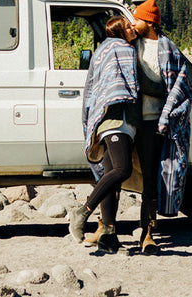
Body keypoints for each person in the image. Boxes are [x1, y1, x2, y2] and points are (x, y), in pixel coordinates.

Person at [69, 15, 140, 254]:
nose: (133, 29)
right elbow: (120, 83)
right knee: (123, 170)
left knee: (110, 175)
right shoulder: (121, 49)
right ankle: (83, 211)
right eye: (128, 26)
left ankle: (109, 235)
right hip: (115, 118)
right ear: (119, 30)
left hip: (111, 119)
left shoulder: (102, 51)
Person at [131, 0, 192, 255]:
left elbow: (181, 85)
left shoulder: (168, 49)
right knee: (115, 170)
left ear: (149, 22)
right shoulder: (129, 44)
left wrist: (167, 115)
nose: (133, 23)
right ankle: (106, 227)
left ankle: (148, 232)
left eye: (137, 18)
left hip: (154, 124)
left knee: (149, 177)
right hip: (130, 120)